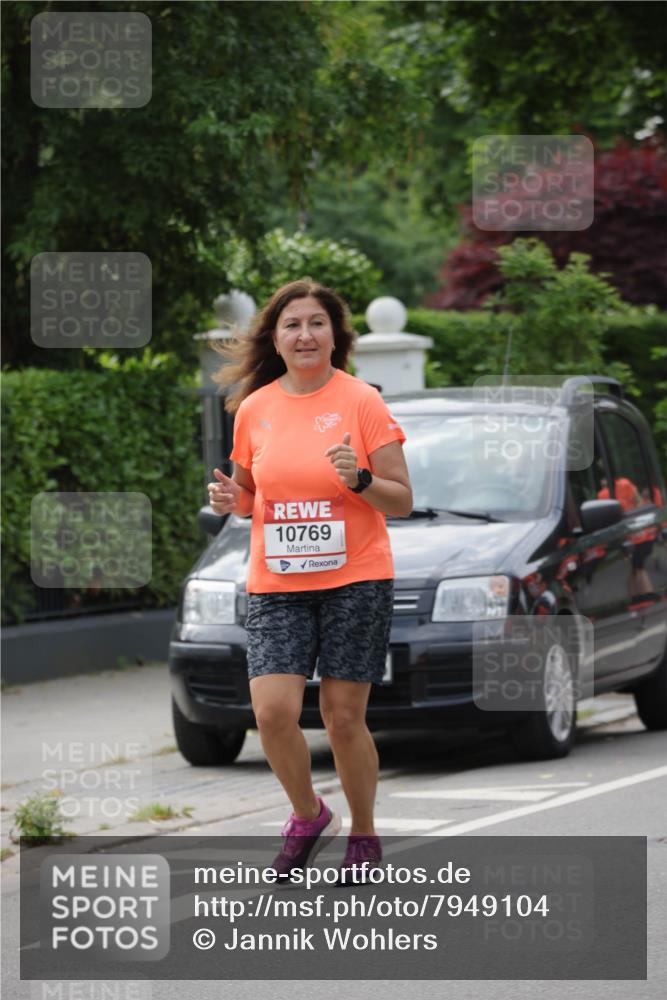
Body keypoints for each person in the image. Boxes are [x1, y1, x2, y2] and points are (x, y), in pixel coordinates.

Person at [208, 278, 412, 883]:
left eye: (316, 323)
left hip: (356, 579)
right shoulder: (256, 408)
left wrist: (359, 481)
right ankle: (308, 815)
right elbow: (249, 496)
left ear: (334, 335)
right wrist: (232, 500)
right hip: (278, 582)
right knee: (273, 712)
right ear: (275, 338)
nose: (305, 334)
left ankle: (364, 834)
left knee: (342, 718)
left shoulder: (362, 402)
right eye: (292, 324)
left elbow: (401, 500)